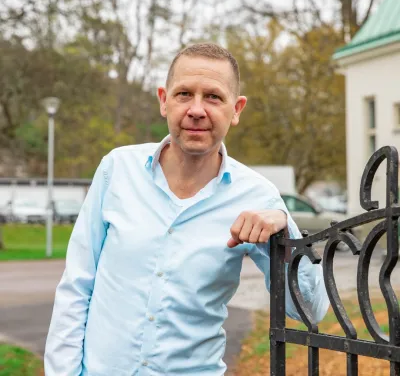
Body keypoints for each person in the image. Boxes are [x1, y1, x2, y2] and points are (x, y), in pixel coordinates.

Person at [45, 43, 329, 375]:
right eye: (184, 94)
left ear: (236, 109)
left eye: (213, 97)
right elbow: (77, 285)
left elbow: (310, 311)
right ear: (163, 100)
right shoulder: (117, 170)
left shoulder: (257, 196)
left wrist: (285, 232)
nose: (196, 110)